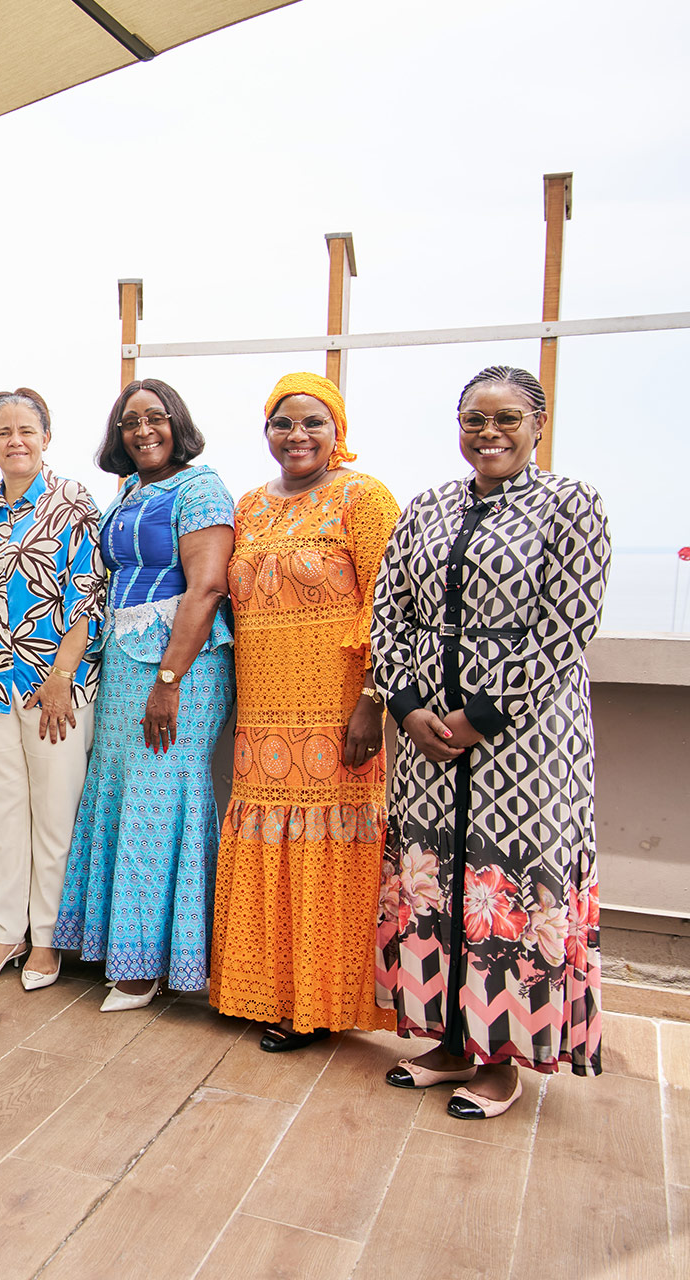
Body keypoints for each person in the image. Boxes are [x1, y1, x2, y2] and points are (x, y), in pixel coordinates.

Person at [372, 365, 609, 1119]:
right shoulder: (426, 508)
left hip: (527, 739)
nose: (489, 433)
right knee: (436, 881)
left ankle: (501, 1058)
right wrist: (407, 707)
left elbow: (565, 627)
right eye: (474, 419)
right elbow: (390, 613)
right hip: (428, 735)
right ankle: (448, 1042)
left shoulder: (572, 504)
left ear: (538, 424)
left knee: (504, 886)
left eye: (506, 418)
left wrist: (481, 717)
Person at [207, 373, 400, 1050]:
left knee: (324, 849)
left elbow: (392, 606)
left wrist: (372, 703)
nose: (297, 435)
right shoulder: (250, 505)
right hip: (263, 709)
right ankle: (259, 989)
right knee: (266, 839)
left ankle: (315, 1003)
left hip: (335, 707)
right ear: (266, 432)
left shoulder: (363, 498)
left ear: (337, 430)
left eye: (313, 422)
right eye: (283, 423)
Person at [53, 379, 234, 1011]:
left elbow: (207, 587)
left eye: (156, 419)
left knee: (164, 801)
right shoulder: (129, 490)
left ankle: (157, 962)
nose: (143, 431)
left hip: (180, 665)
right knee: (120, 794)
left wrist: (169, 679)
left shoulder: (202, 487)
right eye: (131, 422)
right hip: (124, 659)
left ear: (177, 422)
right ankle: (122, 948)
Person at [0, 388, 105, 989]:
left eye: (27, 430)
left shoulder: (73, 500)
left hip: (55, 685)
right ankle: (2, 935)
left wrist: (62, 677)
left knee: (55, 816)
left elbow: (87, 596)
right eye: (2, 431)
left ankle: (46, 941)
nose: (15, 440)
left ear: (47, 437)